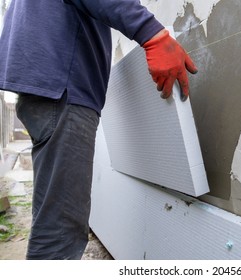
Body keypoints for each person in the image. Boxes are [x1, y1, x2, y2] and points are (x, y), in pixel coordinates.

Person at [0, 0, 197, 260]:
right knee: (61, 230)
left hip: (44, 83)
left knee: (51, 214)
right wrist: (153, 34)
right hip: (63, 86)